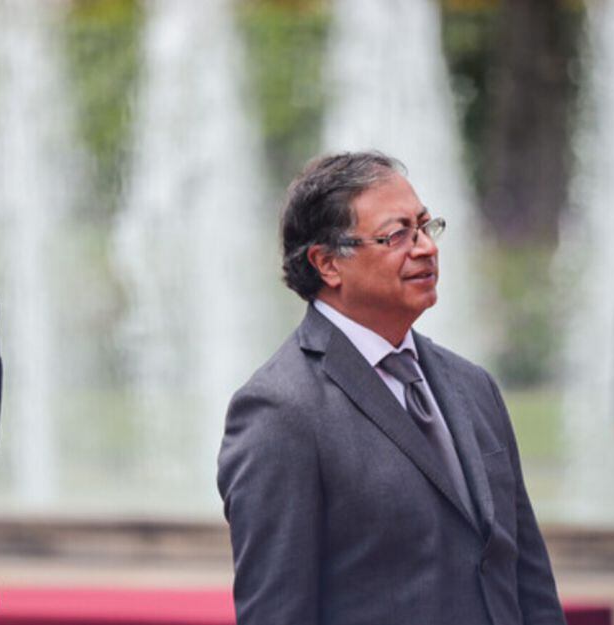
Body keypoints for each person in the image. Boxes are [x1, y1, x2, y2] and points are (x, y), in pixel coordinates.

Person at [217, 152, 566, 625]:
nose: (425, 247)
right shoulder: (281, 411)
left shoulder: (473, 386)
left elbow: (528, 578)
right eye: (396, 235)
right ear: (327, 264)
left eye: (425, 226)